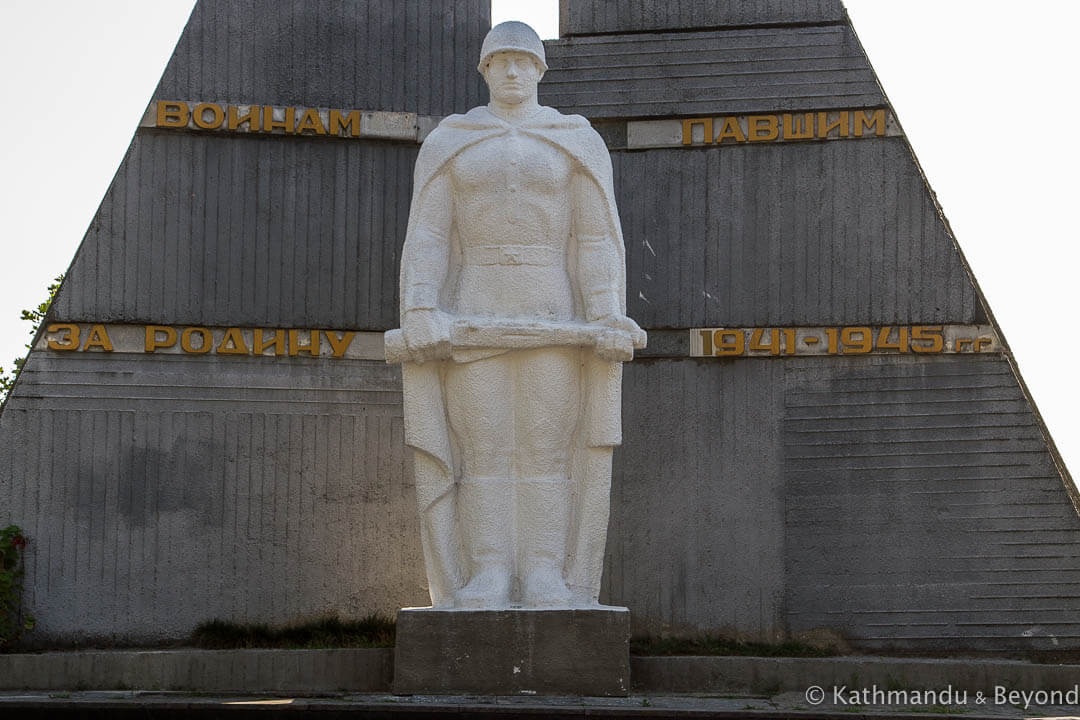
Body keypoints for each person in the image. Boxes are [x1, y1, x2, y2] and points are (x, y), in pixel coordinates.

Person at [393, 21, 644, 608]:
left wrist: (606, 312)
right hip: (475, 302)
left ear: (540, 70)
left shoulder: (573, 139)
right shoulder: (451, 140)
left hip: (553, 306)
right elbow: (428, 235)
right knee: (481, 447)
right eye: (500, 60)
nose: (512, 71)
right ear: (484, 70)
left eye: (523, 61)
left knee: (545, 448)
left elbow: (595, 237)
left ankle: (542, 574)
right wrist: (423, 306)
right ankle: (487, 574)